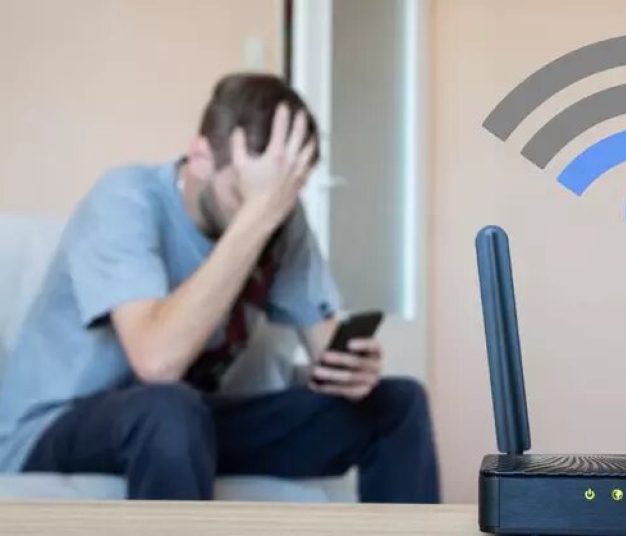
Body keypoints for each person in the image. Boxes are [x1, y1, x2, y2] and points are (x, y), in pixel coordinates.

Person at [0, 73, 440, 502]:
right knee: (169, 410)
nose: (271, 212)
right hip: (56, 426)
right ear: (201, 157)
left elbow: (324, 347)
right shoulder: (124, 200)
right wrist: (257, 216)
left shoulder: (280, 219)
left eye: (282, 197)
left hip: (189, 424)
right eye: (243, 194)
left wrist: (347, 370)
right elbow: (156, 363)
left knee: (398, 405)